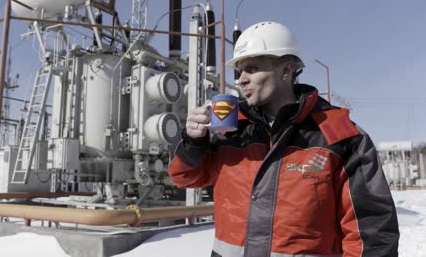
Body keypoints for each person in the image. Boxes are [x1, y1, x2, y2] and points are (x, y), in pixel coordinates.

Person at [168, 21, 399, 257]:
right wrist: (193, 141)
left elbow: (372, 234)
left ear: (286, 70)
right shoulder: (232, 132)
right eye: (239, 72)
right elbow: (183, 178)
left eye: (252, 68)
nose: (241, 79)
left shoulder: (340, 136)